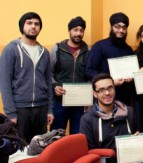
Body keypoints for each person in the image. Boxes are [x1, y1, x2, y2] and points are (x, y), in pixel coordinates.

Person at [0, 12, 54, 143]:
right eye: (29, 23)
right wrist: (10, 113)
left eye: (37, 24)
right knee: (20, 149)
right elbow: (4, 82)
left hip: (41, 109)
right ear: (22, 26)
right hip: (20, 109)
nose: (33, 26)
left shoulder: (45, 53)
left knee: (39, 149)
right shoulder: (10, 50)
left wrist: (50, 110)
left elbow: (48, 81)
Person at [80, 73, 140, 163]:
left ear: (114, 89)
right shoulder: (87, 119)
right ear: (95, 94)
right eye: (101, 90)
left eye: (110, 88)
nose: (107, 93)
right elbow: (88, 154)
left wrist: (137, 142)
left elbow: (135, 137)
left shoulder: (129, 112)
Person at [85, 12, 134, 106]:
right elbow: (89, 70)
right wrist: (110, 81)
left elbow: (131, 73)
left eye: (124, 28)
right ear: (111, 27)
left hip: (123, 99)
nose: (121, 30)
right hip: (103, 97)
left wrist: (130, 78)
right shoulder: (99, 46)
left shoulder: (129, 50)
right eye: (117, 27)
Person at [50, 16, 88, 134]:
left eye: (81, 30)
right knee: (56, 135)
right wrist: (55, 86)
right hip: (60, 100)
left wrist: (89, 98)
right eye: (75, 30)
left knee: (78, 135)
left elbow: (90, 75)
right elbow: (49, 73)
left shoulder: (89, 51)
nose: (78, 33)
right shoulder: (57, 49)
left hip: (80, 102)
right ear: (69, 31)